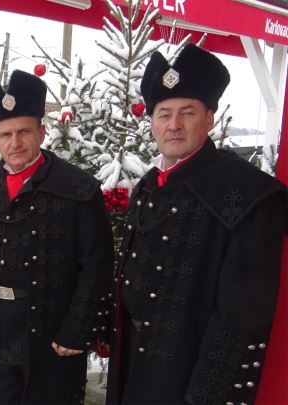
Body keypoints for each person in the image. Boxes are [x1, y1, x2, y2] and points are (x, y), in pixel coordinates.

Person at [106, 44, 287, 405]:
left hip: (188, 376)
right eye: (164, 114)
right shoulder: (149, 185)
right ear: (152, 122)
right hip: (132, 361)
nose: (173, 125)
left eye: (187, 113)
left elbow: (242, 318)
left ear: (209, 118)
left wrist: (207, 397)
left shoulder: (250, 195)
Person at [0, 69, 114, 404]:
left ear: (41, 132)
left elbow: (97, 267)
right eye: (5, 134)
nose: (15, 142)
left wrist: (77, 330)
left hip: (51, 330)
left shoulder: (79, 189)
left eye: (24, 131)